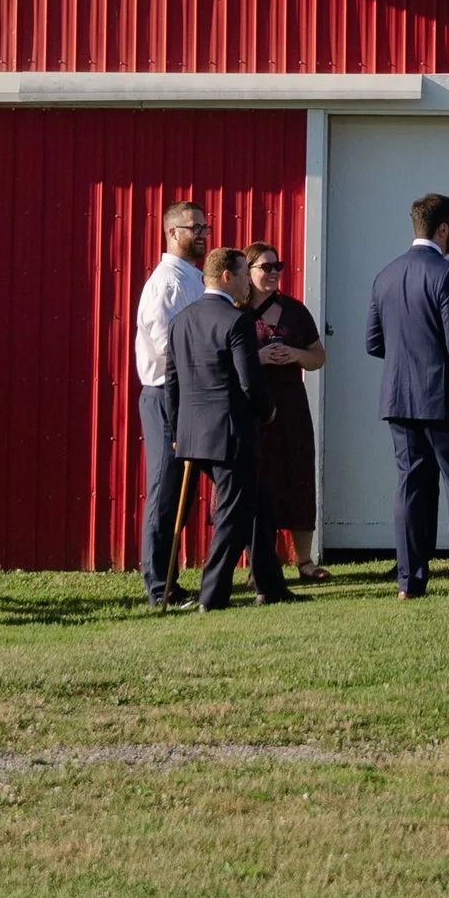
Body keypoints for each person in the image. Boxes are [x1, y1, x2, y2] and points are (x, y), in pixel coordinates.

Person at [366, 193, 449, 597]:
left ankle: (410, 581)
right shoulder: (447, 273)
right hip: (445, 397)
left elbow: (373, 342)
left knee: (411, 488)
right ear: (442, 229)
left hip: (399, 398)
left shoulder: (385, 273)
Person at [166, 247, 286, 610]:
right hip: (231, 434)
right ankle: (212, 596)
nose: (245, 285)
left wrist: (176, 431)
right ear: (226, 277)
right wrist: (266, 411)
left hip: (193, 434)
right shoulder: (237, 321)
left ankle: (270, 585)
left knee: (259, 503)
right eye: (240, 274)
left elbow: (172, 382)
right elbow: (249, 380)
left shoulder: (181, 320)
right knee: (233, 517)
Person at [134, 201, 208, 609]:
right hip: (167, 393)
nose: (200, 234)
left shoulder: (193, 279)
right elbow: (167, 345)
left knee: (184, 486)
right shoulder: (166, 283)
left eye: (204, 227)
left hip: (191, 393)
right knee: (165, 488)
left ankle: (172, 579)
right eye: (192, 227)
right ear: (171, 233)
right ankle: (158, 586)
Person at [243, 246, 325, 581]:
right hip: (255, 408)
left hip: (292, 407)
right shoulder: (238, 311)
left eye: (278, 265)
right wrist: (259, 357)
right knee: (259, 481)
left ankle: (304, 561)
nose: (274, 272)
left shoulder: (295, 311)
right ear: (248, 270)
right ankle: (258, 564)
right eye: (266, 267)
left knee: (298, 476)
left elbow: (318, 357)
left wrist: (293, 354)